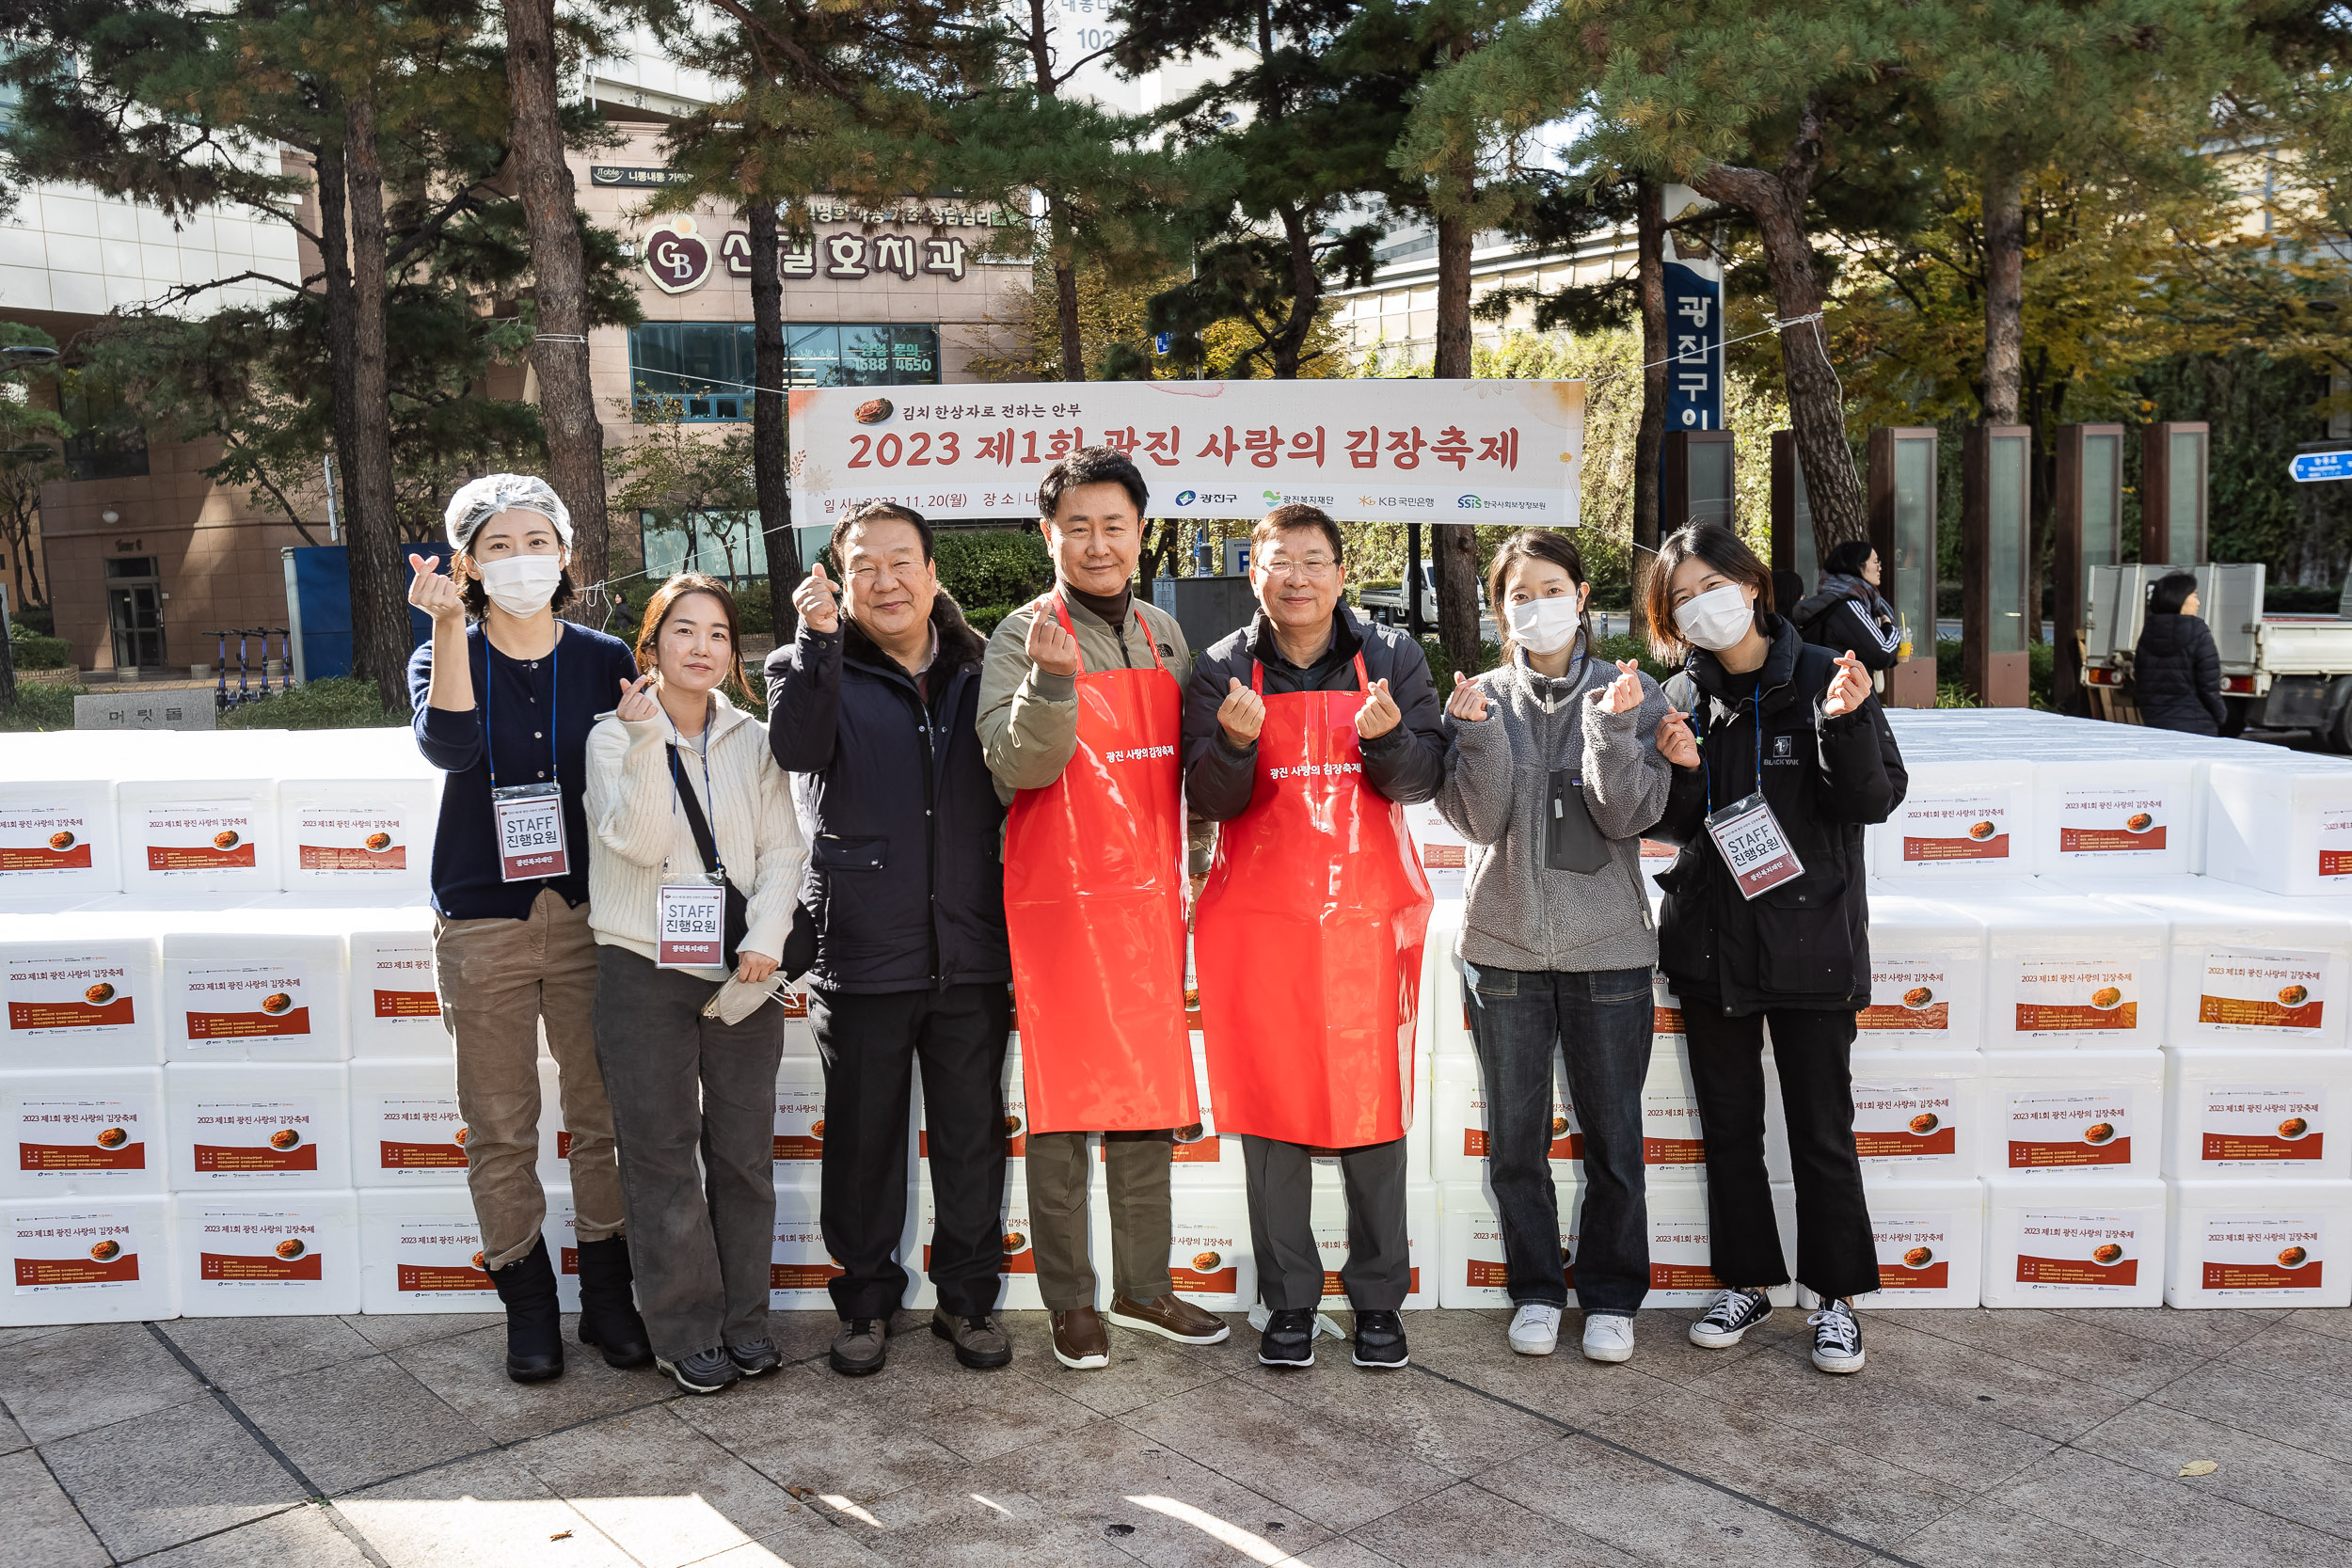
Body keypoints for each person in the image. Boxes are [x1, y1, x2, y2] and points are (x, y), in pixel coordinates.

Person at [977, 447, 1232, 1370]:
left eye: (1111, 525)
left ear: (1137, 532)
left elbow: (1192, 772)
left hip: (1150, 902)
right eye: (1075, 526)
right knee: (1061, 1107)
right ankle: (1072, 1299)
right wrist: (1048, 685)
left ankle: (1144, 1283)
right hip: (1057, 903)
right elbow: (1017, 768)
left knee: (1145, 1098)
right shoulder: (1020, 633)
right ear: (1049, 536)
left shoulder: (1164, 634)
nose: (1095, 543)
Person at [1184, 504, 1444, 1371]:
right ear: (1251, 570)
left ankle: (1378, 1300)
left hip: (1367, 924)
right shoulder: (1220, 666)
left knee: (1373, 1113)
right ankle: (1288, 1300)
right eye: (1277, 560)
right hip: (1261, 926)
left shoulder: (1394, 657)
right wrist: (1230, 744)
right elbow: (1207, 801)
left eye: (1314, 559)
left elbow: (1421, 778)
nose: (1296, 576)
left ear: (1340, 572)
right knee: (1273, 1112)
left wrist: (1390, 739)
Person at [1642, 521, 1906, 1376]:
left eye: (1711, 586)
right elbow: (1676, 827)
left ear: (1752, 584)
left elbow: (1873, 799)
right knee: (1730, 1127)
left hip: (1813, 943)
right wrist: (1680, 769)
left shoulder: (1831, 674)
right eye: (1682, 599)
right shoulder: (1679, 698)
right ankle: (1748, 1280)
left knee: (1823, 1132)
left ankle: (1837, 1300)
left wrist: (1846, 723)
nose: (1701, 607)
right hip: (1713, 944)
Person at [405, 474, 650, 1383]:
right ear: (466, 562)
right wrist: (444, 626)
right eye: (497, 547)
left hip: (594, 913)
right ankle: (530, 1304)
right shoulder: (443, 650)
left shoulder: (602, 653)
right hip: (483, 921)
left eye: (535, 542)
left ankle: (612, 1298)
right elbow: (451, 748)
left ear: (566, 552)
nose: (520, 561)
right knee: (501, 1123)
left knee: (603, 1116)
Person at [766, 501, 1014, 1377]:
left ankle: (968, 1302)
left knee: (971, 1136)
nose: (885, 580)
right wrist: (820, 643)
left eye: (901, 561)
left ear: (933, 571)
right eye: (863, 564)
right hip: (862, 949)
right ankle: (865, 1303)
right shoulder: (804, 664)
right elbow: (796, 749)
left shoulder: (988, 666)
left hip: (973, 946)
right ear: (839, 579)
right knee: (864, 1141)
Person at [1438, 529, 1671, 1365]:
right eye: (1518, 593)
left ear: (1581, 594)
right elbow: (1480, 820)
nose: (1537, 605)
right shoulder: (1476, 696)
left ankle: (1611, 1295)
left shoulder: (1629, 690)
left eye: (1551, 587)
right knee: (1516, 1139)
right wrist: (1474, 736)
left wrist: (1613, 731)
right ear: (1499, 609)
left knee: (1613, 1136)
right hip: (1503, 952)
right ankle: (1536, 1289)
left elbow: (1628, 815)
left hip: (1607, 950)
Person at [585, 575, 806, 1395]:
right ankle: (685, 1328)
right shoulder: (611, 738)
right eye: (684, 631)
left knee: (744, 1155)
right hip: (641, 967)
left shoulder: (753, 738)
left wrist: (765, 939)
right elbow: (638, 845)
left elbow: (784, 849)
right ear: (652, 646)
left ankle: (747, 1320)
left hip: (744, 968)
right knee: (661, 1155)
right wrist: (645, 743)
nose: (703, 647)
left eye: (718, 633)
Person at [1789, 540, 1903, 682]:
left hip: (1834, 688)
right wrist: (1890, 628)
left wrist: (1896, 654)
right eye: (1875, 562)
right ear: (1858, 566)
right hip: (1844, 692)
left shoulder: (1837, 601)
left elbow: (1871, 652)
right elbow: (1882, 654)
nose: (1879, 568)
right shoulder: (1850, 607)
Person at [2133, 572, 2228, 735]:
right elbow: (2209, 686)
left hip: (2155, 721)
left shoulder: (2148, 631)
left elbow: (2141, 681)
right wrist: (2221, 716)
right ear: (2179, 598)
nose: (2198, 603)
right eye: (2194, 595)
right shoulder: (2198, 632)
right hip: (2197, 724)